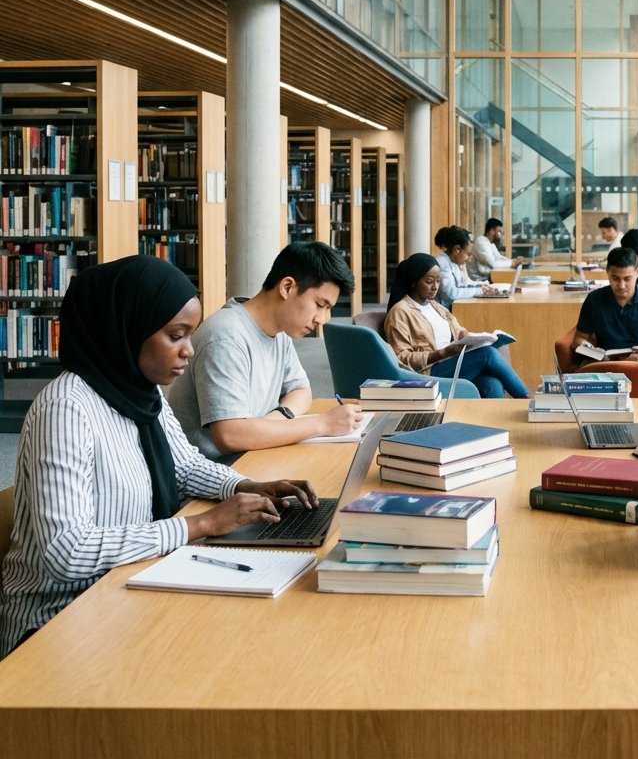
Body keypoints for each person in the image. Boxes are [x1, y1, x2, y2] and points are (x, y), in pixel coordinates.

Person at [0, 255, 317, 657]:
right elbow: (66, 551)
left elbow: (183, 466)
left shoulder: (143, 392)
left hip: (127, 583)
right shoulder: (65, 409)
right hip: (58, 618)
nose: (189, 351)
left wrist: (247, 485)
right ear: (127, 328)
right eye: (175, 336)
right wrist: (200, 524)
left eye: (190, 335)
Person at [167, 241, 363, 460]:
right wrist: (322, 423)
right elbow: (230, 437)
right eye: (320, 304)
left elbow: (301, 391)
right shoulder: (225, 336)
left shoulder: (280, 332)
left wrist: (271, 421)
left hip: (252, 456)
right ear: (287, 287)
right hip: (215, 469)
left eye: (328, 308)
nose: (322, 319)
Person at [384, 253, 530, 399]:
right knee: (487, 354)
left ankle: (508, 413)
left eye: (438, 281)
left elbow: (459, 330)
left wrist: (476, 340)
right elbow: (401, 358)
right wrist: (443, 353)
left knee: (491, 382)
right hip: (428, 372)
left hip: (451, 362)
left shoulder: (435, 306)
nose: (435, 287)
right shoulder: (400, 312)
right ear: (413, 282)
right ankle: (528, 399)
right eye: (429, 281)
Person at [571, 246, 638, 366]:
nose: (621, 285)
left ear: (637, 272)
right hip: (606, 363)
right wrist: (592, 351)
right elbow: (578, 339)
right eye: (615, 278)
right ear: (607, 272)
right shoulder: (594, 299)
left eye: (627, 279)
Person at [434, 225, 502, 310]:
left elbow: (462, 284)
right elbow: (451, 293)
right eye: (468, 254)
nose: (470, 259)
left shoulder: (453, 262)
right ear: (457, 250)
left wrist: (481, 286)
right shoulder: (442, 264)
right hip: (445, 310)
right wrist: (479, 291)